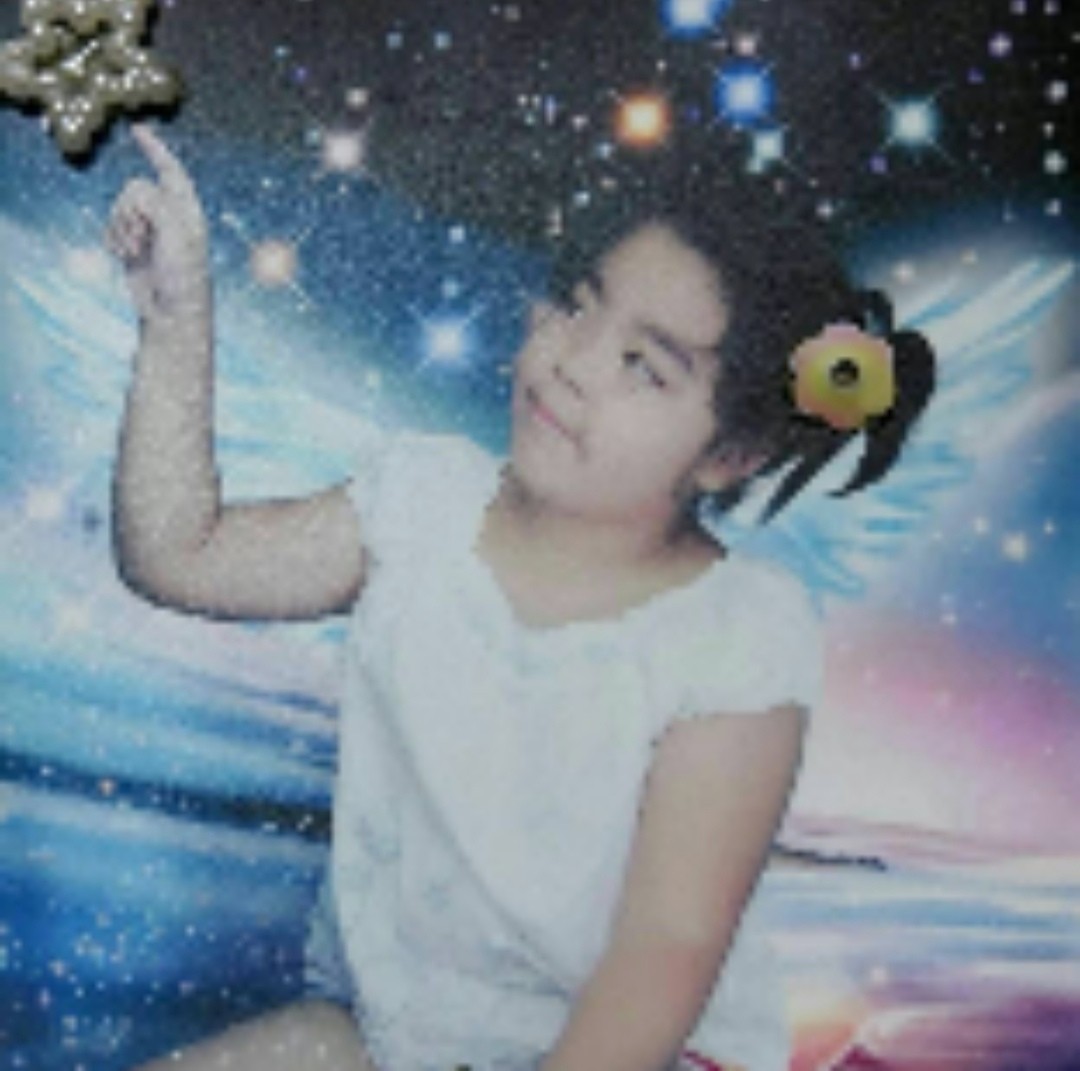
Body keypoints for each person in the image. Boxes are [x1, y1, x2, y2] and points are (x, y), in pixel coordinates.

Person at [107, 124, 935, 1071]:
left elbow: (665, 949)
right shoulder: (419, 505)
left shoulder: (737, 628)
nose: (574, 361)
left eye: (643, 365)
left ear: (730, 455)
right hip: (399, 1035)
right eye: (578, 306)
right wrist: (176, 314)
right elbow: (178, 553)